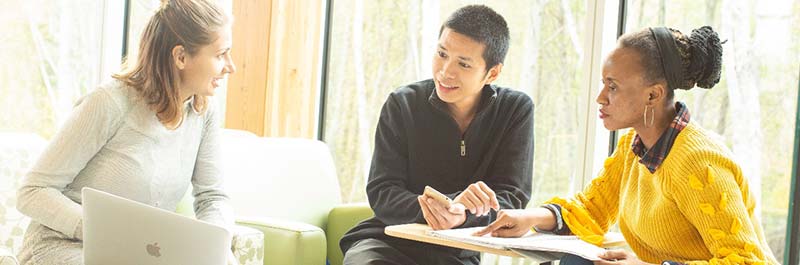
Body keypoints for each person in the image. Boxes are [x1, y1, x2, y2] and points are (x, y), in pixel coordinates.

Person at [475, 26, 779, 265]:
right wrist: (530, 217)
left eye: (613, 86)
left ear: (653, 95)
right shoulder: (634, 147)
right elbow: (593, 209)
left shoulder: (699, 164)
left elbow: (747, 261)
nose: (601, 98)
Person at [15, 0, 237, 264]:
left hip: (137, 255)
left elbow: (213, 198)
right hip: (62, 247)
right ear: (180, 57)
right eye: (220, 54)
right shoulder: (109, 102)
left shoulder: (202, 113)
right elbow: (32, 191)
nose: (230, 66)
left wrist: (212, 247)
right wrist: (105, 233)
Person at [339, 5, 534, 265]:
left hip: (456, 250)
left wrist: (462, 215)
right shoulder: (402, 104)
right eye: (441, 54)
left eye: (463, 64)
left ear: (492, 73)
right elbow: (382, 191)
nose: (445, 71)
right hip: (385, 242)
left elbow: (512, 197)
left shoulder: (515, 110)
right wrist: (444, 207)